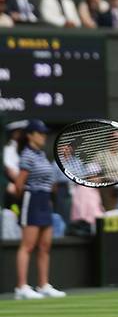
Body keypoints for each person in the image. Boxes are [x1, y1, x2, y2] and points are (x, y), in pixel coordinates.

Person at [14, 119, 66, 300]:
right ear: (30, 135)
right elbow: (19, 184)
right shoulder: (27, 155)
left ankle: (43, 284)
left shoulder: (41, 154)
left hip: (45, 201)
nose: (44, 136)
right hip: (32, 199)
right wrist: (27, 200)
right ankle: (21, 287)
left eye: (44, 133)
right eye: (40, 133)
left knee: (44, 246)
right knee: (27, 246)